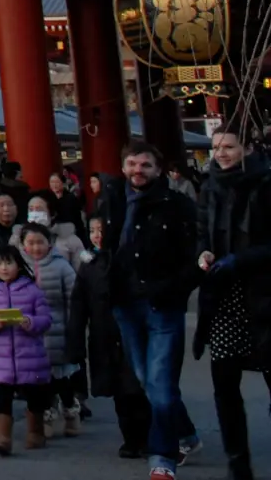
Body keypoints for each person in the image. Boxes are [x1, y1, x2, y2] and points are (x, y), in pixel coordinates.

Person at [111, 140, 204, 480]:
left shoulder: (177, 205)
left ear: (159, 170)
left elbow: (197, 256)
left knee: (161, 385)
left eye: (146, 165)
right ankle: (187, 435)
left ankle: (163, 457)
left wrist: (175, 288)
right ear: (123, 167)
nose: (138, 171)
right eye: (133, 164)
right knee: (147, 381)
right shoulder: (113, 201)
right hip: (125, 304)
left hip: (163, 305)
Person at [193, 128, 271, 480]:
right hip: (223, 297)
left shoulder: (266, 182)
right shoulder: (209, 186)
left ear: (248, 148)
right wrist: (203, 254)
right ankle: (238, 464)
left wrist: (242, 259)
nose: (220, 153)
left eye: (228, 146)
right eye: (216, 147)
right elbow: (201, 235)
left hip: (264, 296)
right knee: (225, 387)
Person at [79, 212, 154, 459]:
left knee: (137, 388)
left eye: (101, 230)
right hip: (103, 336)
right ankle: (130, 439)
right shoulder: (88, 264)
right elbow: (79, 304)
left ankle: (147, 437)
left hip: (132, 332)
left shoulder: (128, 258)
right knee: (119, 391)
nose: (97, 236)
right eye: (92, 231)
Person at [0, 243, 54, 454]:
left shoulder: (32, 291)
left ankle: (35, 432)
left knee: (34, 396)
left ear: (18, 265)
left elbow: (46, 319)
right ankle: (2, 437)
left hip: (31, 356)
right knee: (3, 397)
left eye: (8, 263)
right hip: (1, 359)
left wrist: (29, 322)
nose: (3, 268)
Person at [19, 223, 82, 436]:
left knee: (60, 380)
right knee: (39, 381)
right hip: (29, 334)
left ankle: (71, 412)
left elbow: (73, 300)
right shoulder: (18, 268)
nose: (36, 247)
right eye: (30, 243)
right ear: (23, 245)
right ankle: (44, 417)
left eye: (40, 242)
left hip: (58, 332)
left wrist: (74, 328)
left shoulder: (61, 266)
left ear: (49, 243)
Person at [18, 192, 86, 268]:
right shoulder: (17, 238)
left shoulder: (70, 240)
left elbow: (82, 269)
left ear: (53, 214)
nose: (34, 214)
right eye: (31, 209)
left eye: (39, 209)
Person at [47, 169, 86, 233]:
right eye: (52, 182)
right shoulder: (48, 199)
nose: (54, 184)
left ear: (63, 183)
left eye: (57, 182)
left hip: (72, 230)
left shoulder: (71, 198)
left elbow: (75, 218)